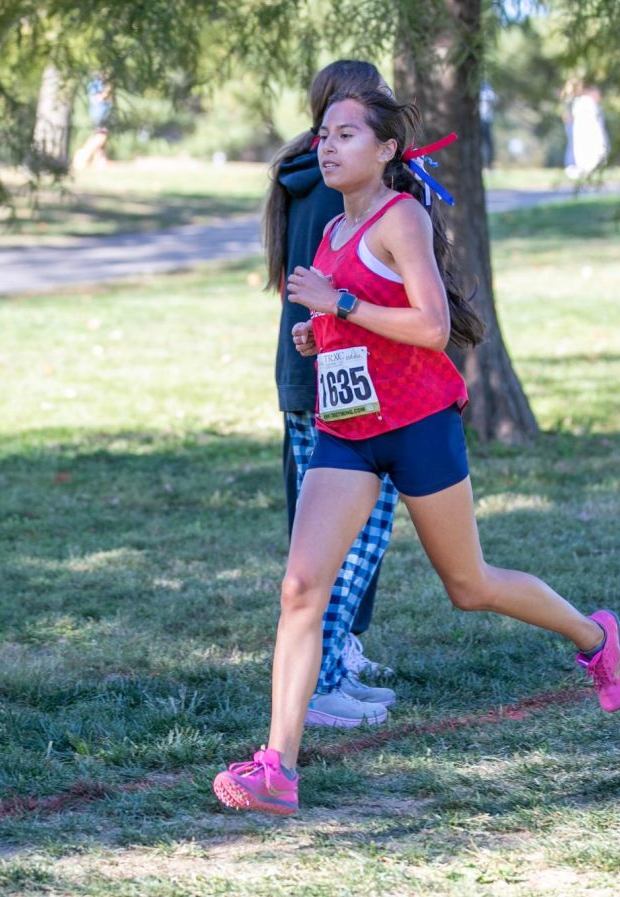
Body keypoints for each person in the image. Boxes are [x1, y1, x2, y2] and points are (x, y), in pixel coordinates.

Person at [213, 86, 620, 817]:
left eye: (347, 134)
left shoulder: (398, 216)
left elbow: (434, 325)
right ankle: (277, 766)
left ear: (385, 151)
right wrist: (323, 335)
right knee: (299, 588)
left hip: (418, 424)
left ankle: (595, 636)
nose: (329, 144)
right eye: (323, 133)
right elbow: (353, 321)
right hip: (349, 429)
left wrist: (340, 306)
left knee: (468, 585)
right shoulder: (331, 233)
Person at [262, 60, 400, 731]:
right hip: (333, 377)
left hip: (327, 375)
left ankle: (332, 665)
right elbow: (346, 291)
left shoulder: (311, 172)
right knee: (349, 536)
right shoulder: (330, 182)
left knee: (351, 533)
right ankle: (321, 679)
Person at [72, 75, 112, 171]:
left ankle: (99, 161)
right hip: (98, 114)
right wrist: (106, 93)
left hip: (103, 114)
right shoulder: (95, 84)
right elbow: (96, 98)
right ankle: (83, 155)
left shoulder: (103, 83)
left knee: (101, 138)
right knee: (101, 136)